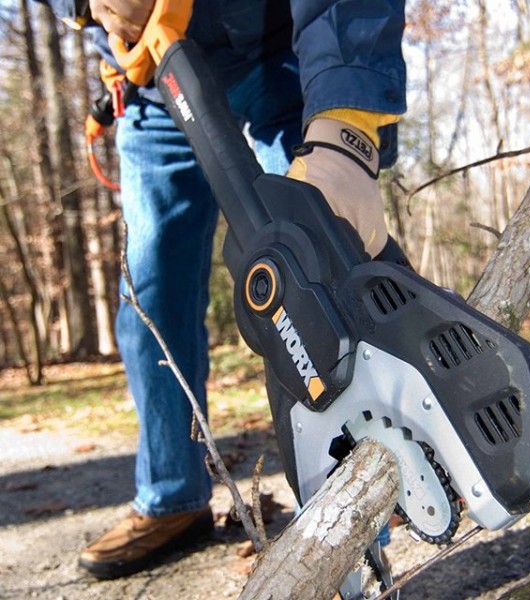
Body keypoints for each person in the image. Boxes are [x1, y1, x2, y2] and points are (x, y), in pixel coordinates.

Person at [41, 0, 407, 580]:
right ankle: (172, 497)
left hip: (279, 52)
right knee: (149, 291)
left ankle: (360, 510)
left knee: (314, 262)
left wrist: (346, 128)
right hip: (152, 83)